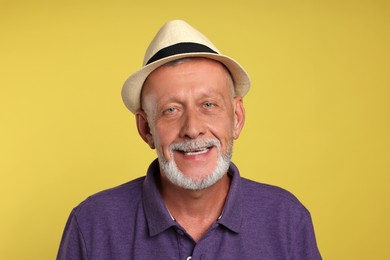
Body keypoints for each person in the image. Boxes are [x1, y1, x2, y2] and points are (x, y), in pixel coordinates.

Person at [57, 20, 321, 260]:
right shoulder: (92, 224)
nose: (192, 129)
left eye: (208, 104)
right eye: (171, 110)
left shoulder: (286, 219)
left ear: (237, 118)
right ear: (146, 128)